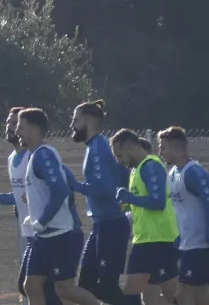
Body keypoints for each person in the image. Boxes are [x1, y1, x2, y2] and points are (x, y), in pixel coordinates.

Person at [0, 107, 63, 305]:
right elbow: (20, 196)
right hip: (27, 231)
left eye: (16, 123)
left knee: (42, 287)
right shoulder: (11, 158)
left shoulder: (35, 155)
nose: (11, 127)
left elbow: (54, 188)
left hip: (45, 231)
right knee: (32, 287)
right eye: (9, 122)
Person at [16, 108, 102, 305]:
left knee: (64, 289)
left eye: (21, 127)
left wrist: (42, 220)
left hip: (60, 234)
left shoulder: (44, 155)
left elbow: (61, 191)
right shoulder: (34, 155)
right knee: (31, 286)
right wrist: (34, 216)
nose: (16, 131)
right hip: (44, 236)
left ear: (35, 129)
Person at [155, 127, 209, 305]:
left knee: (183, 295)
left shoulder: (194, 172)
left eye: (163, 148)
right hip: (187, 245)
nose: (160, 153)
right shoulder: (172, 174)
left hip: (201, 246)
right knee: (203, 298)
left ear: (176, 149)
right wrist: (177, 236)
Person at [69, 100, 132, 305]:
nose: (72, 125)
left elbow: (104, 189)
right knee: (86, 285)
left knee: (107, 287)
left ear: (88, 121)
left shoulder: (98, 147)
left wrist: (74, 185)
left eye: (76, 120)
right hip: (101, 224)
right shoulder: (95, 146)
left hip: (111, 224)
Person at [110, 129, 180, 305]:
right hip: (144, 240)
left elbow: (158, 202)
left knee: (134, 293)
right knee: (148, 297)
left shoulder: (151, 166)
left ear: (130, 147)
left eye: (119, 155)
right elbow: (142, 202)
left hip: (159, 241)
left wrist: (130, 198)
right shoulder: (136, 170)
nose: (118, 161)